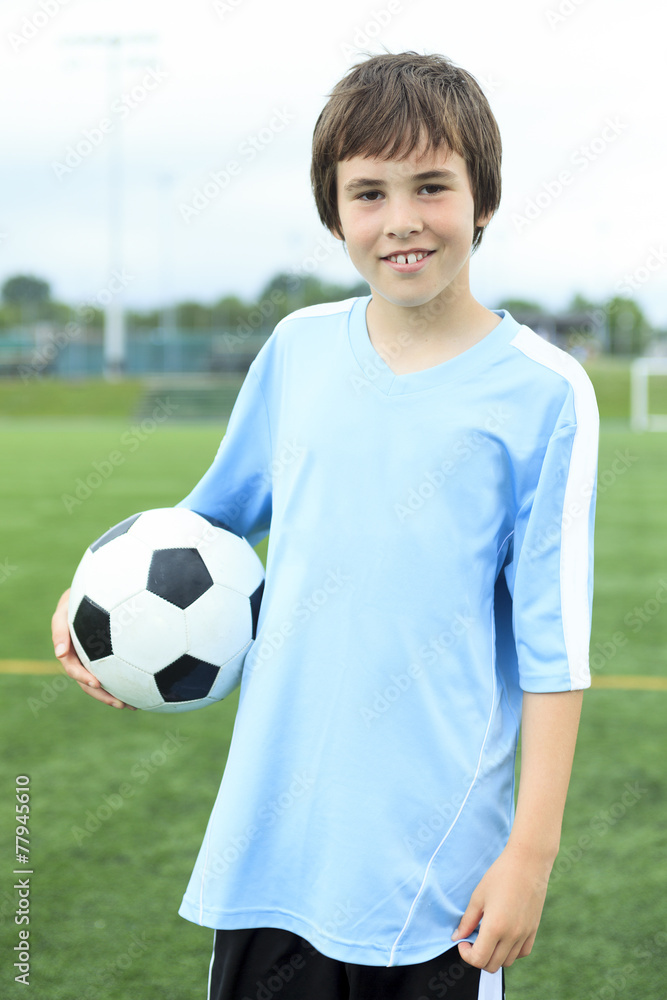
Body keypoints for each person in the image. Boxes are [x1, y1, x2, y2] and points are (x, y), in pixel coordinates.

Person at [52, 51, 599, 1000]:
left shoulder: (544, 393)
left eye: (431, 186)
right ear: (334, 212)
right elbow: (207, 523)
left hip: (434, 873)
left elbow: (552, 649)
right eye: (368, 193)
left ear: (482, 199)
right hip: (271, 854)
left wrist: (530, 855)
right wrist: (88, 593)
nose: (401, 221)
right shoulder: (299, 349)